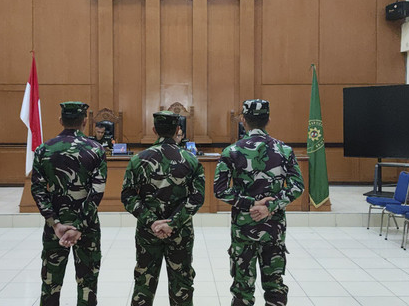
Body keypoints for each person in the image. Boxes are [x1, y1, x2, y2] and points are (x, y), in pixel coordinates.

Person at [214, 99, 304, 306]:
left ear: (243, 120)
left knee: (242, 289)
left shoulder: (232, 152)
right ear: (268, 120)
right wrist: (269, 207)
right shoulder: (284, 150)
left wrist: (250, 205)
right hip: (273, 228)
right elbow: (297, 186)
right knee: (274, 285)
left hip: (243, 229)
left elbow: (220, 191)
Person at [121, 111, 205, 306]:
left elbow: (128, 195)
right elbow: (197, 197)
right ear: (178, 130)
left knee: (144, 285)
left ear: (154, 130)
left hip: (148, 232)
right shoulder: (191, 160)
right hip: (180, 233)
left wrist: (152, 222)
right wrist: (173, 223)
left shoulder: (138, 159)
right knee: (182, 286)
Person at [31, 101, 107, 306]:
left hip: (54, 228)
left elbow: (37, 189)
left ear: (60, 120)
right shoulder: (96, 149)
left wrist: (55, 223)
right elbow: (97, 191)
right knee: (87, 283)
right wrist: (80, 226)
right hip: (87, 227)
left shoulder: (43, 150)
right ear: (84, 122)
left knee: (50, 283)